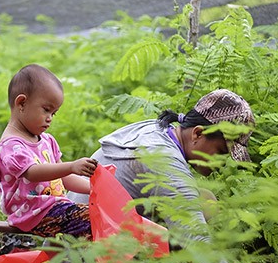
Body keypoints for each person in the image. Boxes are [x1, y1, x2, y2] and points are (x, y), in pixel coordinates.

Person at [68, 89, 255, 244]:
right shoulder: (163, 159)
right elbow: (197, 239)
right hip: (84, 249)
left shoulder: (156, 130)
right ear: (198, 133)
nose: (222, 164)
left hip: (76, 232)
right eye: (221, 152)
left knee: (206, 200)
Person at [0, 64, 98, 239]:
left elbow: (63, 178)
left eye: (54, 113)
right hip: (32, 213)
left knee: (97, 220)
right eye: (46, 110)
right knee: (92, 220)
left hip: (54, 208)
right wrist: (71, 166)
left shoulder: (47, 141)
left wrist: (94, 189)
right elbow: (32, 173)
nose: (49, 118)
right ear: (21, 103)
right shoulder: (11, 145)